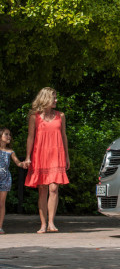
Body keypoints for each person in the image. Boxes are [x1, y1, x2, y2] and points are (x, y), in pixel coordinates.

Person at [24, 87, 69, 233]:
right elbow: (30, 137)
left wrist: (67, 156)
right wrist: (28, 157)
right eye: (54, 98)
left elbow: (64, 136)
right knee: (42, 189)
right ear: (45, 99)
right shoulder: (34, 117)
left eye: (56, 97)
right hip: (40, 155)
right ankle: (43, 224)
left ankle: (51, 222)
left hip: (56, 154)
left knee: (54, 188)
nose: (56, 100)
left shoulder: (60, 115)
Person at [0, 127, 27, 234]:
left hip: (5, 178)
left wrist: (23, 164)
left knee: (1, 203)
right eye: (6, 134)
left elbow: (18, 163)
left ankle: (0, 227)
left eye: (9, 134)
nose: (9, 136)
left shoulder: (10, 151)